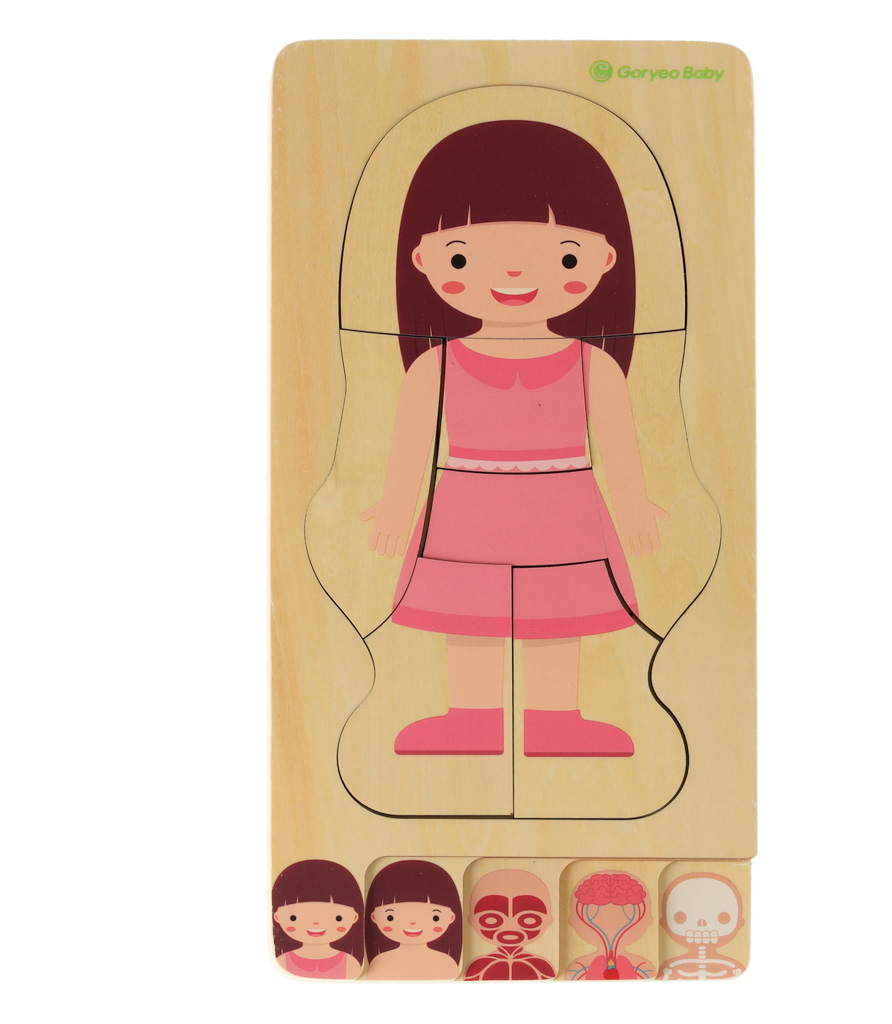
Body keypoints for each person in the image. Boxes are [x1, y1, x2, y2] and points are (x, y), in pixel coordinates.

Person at [362, 120, 667, 757]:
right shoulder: (436, 365)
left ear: (606, 260)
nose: (512, 272)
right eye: (462, 257)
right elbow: (412, 443)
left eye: (564, 257)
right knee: (469, 613)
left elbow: (618, 445)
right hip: (464, 506)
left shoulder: (593, 365)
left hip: (565, 507)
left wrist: (635, 505)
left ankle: (555, 719)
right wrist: (394, 506)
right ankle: (472, 717)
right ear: (422, 260)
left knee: (557, 611)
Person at [365, 860, 462, 980]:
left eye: (435, 917)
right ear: (374, 917)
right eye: (390, 917)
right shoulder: (378, 963)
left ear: (451, 917)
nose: (412, 923)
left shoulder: (447, 964)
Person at [272, 859, 364, 979]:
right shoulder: (281, 963)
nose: (316, 923)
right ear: (277, 916)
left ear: (354, 917)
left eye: (338, 918)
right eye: (293, 917)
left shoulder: (350, 963)